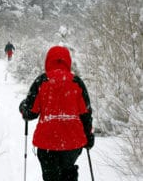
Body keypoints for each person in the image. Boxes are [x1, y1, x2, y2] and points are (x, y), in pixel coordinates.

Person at [19, 46, 94, 181]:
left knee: (51, 177)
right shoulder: (77, 82)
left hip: (47, 144)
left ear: (48, 61)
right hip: (72, 144)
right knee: (68, 171)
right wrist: (89, 137)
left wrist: (23, 107)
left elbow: (30, 113)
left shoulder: (41, 81)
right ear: (68, 62)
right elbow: (86, 114)